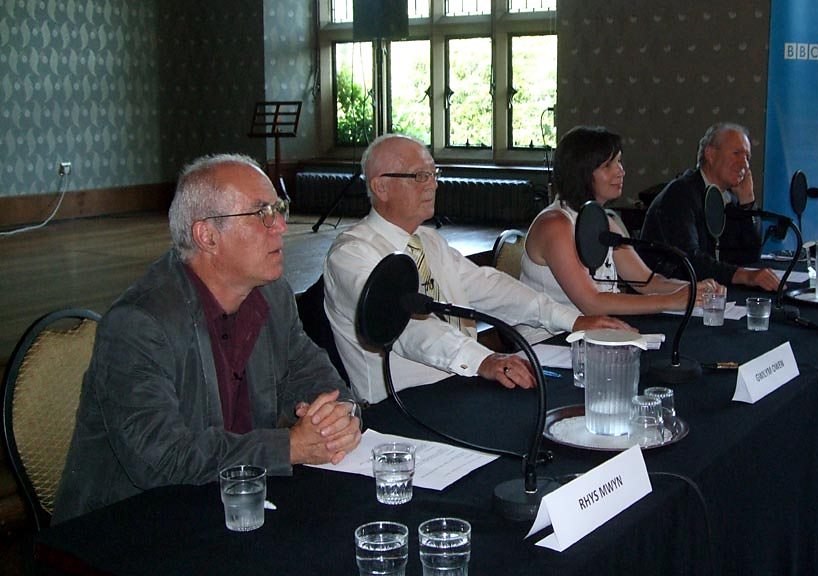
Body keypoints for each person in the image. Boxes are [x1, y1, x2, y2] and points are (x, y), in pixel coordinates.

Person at [53, 154, 362, 523]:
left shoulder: (272, 295)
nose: (281, 225)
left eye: (279, 209)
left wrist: (340, 417)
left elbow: (313, 376)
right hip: (129, 524)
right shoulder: (139, 324)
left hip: (229, 501)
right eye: (262, 213)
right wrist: (289, 447)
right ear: (207, 236)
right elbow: (161, 459)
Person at [324, 134, 632, 404]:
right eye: (419, 176)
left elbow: (491, 288)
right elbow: (408, 328)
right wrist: (482, 359)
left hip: (461, 387)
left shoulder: (428, 241)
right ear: (381, 186)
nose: (433, 184)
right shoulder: (351, 255)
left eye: (434, 173)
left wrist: (572, 320)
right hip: (400, 408)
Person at [520, 125, 721, 321]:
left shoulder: (605, 222)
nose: (621, 171)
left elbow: (647, 282)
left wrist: (694, 288)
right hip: (551, 338)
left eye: (619, 162)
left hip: (599, 331)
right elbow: (592, 303)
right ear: (581, 172)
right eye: (608, 165)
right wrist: (671, 301)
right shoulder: (555, 225)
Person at [639, 122, 780, 291]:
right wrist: (744, 275)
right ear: (710, 155)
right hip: (668, 296)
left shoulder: (729, 197)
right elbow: (688, 259)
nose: (744, 164)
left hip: (710, 292)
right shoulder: (680, 194)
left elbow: (749, 255)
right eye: (736, 153)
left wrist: (747, 202)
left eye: (747, 157)